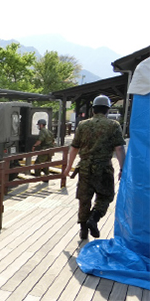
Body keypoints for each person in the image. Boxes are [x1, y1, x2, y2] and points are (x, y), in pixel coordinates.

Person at [63, 95, 126, 240]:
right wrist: (122, 169)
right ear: (107, 110)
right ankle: (94, 218)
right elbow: (119, 149)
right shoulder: (113, 125)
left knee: (84, 199)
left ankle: (83, 230)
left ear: (93, 110)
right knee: (105, 196)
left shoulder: (83, 125)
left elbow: (74, 148)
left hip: (84, 168)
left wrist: (68, 167)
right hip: (103, 168)